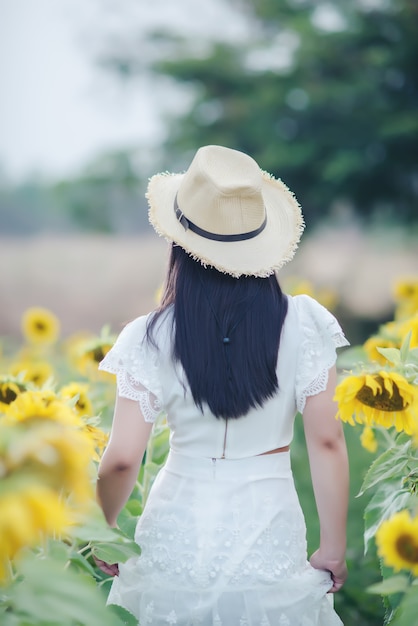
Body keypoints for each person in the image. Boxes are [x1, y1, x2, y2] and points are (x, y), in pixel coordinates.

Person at [95, 145, 350, 626]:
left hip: (177, 518)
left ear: (180, 245)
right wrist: (333, 548)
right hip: (268, 516)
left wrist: (102, 530)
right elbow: (328, 440)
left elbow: (125, 456)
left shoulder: (149, 335)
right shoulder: (305, 323)